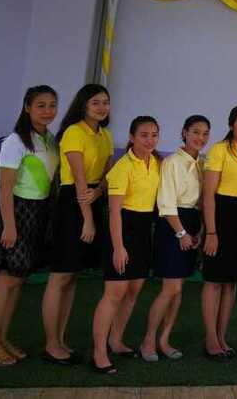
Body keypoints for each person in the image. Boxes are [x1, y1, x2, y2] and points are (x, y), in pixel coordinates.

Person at [0, 86, 59, 367]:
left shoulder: (49, 139)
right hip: (16, 212)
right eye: (41, 105)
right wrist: (9, 226)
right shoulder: (15, 141)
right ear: (27, 107)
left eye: (52, 105)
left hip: (38, 212)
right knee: (5, 280)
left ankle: (2, 339)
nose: (47, 111)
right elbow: (4, 188)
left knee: (17, 280)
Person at [42, 84, 113, 364]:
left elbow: (107, 173)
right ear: (83, 105)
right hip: (73, 204)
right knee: (60, 275)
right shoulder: (74, 132)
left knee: (72, 277)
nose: (102, 107)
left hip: (93, 197)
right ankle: (51, 344)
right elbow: (79, 180)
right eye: (96, 102)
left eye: (105, 102)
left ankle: (61, 339)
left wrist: (100, 192)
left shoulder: (105, 135)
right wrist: (88, 221)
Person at [91, 116, 161, 374]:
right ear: (132, 137)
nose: (150, 140)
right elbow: (114, 212)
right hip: (122, 230)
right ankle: (99, 352)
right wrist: (119, 247)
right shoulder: (123, 166)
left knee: (133, 290)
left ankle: (116, 340)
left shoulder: (156, 163)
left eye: (154, 135)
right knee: (114, 293)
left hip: (143, 232)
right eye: (144, 135)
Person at [140, 115, 210, 362]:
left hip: (192, 222)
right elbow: (166, 204)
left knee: (178, 290)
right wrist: (181, 233)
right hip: (173, 225)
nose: (200, 137)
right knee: (170, 288)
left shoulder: (202, 163)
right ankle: (148, 340)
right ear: (184, 133)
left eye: (205, 133)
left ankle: (164, 340)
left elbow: (202, 202)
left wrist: (199, 230)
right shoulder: (171, 162)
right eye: (195, 132)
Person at [201, 105, 237, 360]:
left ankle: (221, 336)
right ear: (231, 125)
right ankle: (210, 339)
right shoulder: (219, 150)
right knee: (215, 280)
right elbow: (208, 196)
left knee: (231, 282)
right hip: (222, 216)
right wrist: (211, 232)